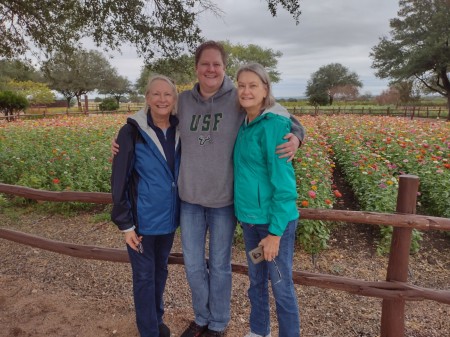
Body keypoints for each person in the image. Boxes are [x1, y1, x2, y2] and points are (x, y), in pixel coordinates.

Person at [112, 41, 305, 337]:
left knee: (219, 266)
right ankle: (201, 318)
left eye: (216, 64)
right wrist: (126, 134)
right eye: (205, 64)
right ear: (197, 68)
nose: (211, 69)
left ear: (224, 68)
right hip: (189, 201)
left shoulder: (238, 98)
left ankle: (218, 323)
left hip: (223, 202)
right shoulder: (185, 100)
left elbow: (280, 115)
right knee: (193, 267)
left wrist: (297, 136)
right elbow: (155, 105)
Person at [233, 63, 301, 337]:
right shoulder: (243, 122)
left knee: (281, 285)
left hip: (273, 223)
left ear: (265, 90)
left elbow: (285, 187)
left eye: (253, 85)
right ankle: (258, 331)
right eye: (241, 85)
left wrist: (275, 233)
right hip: (250, 220)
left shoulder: (274, 125)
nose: (246, 91)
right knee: (256, 281)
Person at [110, 75, 180, 337]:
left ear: (175, 99)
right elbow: (119, 180)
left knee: (160, 272)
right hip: (141, 223)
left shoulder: (180, 128)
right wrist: (126, 225)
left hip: (169, 220)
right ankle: (148, 331)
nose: (162, 99)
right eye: (156, 94)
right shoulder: (131, 132)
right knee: (143, 277)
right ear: (147, 98)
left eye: (168, 94)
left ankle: (156, 320)